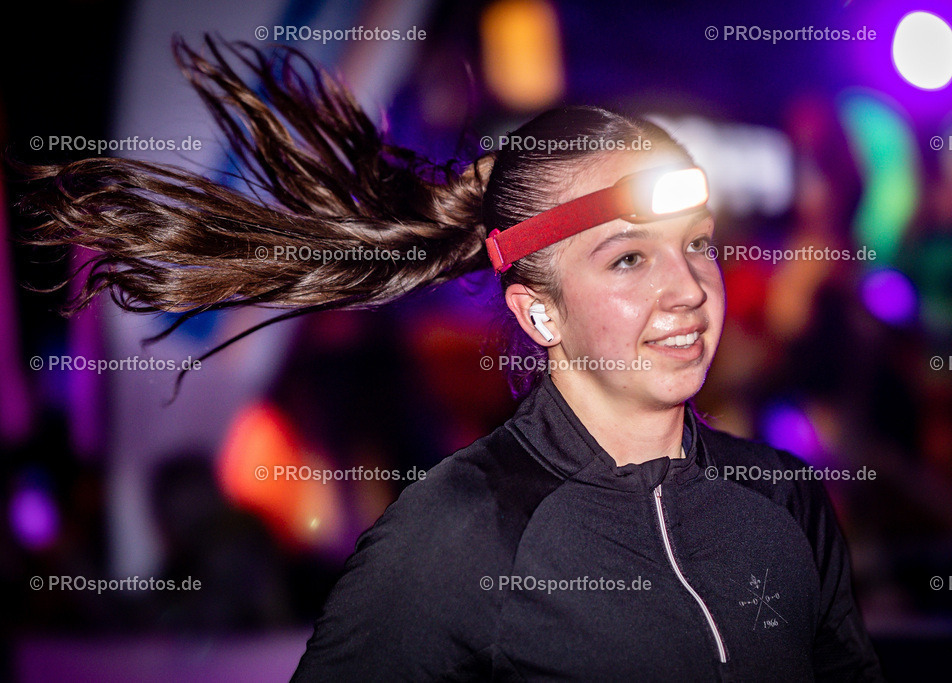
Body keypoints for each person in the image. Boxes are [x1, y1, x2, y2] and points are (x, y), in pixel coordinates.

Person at [18, 36, 883, 681]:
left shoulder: (782, 499)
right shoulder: (455, 532)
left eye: (698, 244)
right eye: (628, 258)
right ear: (537, 309)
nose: (690, 287)